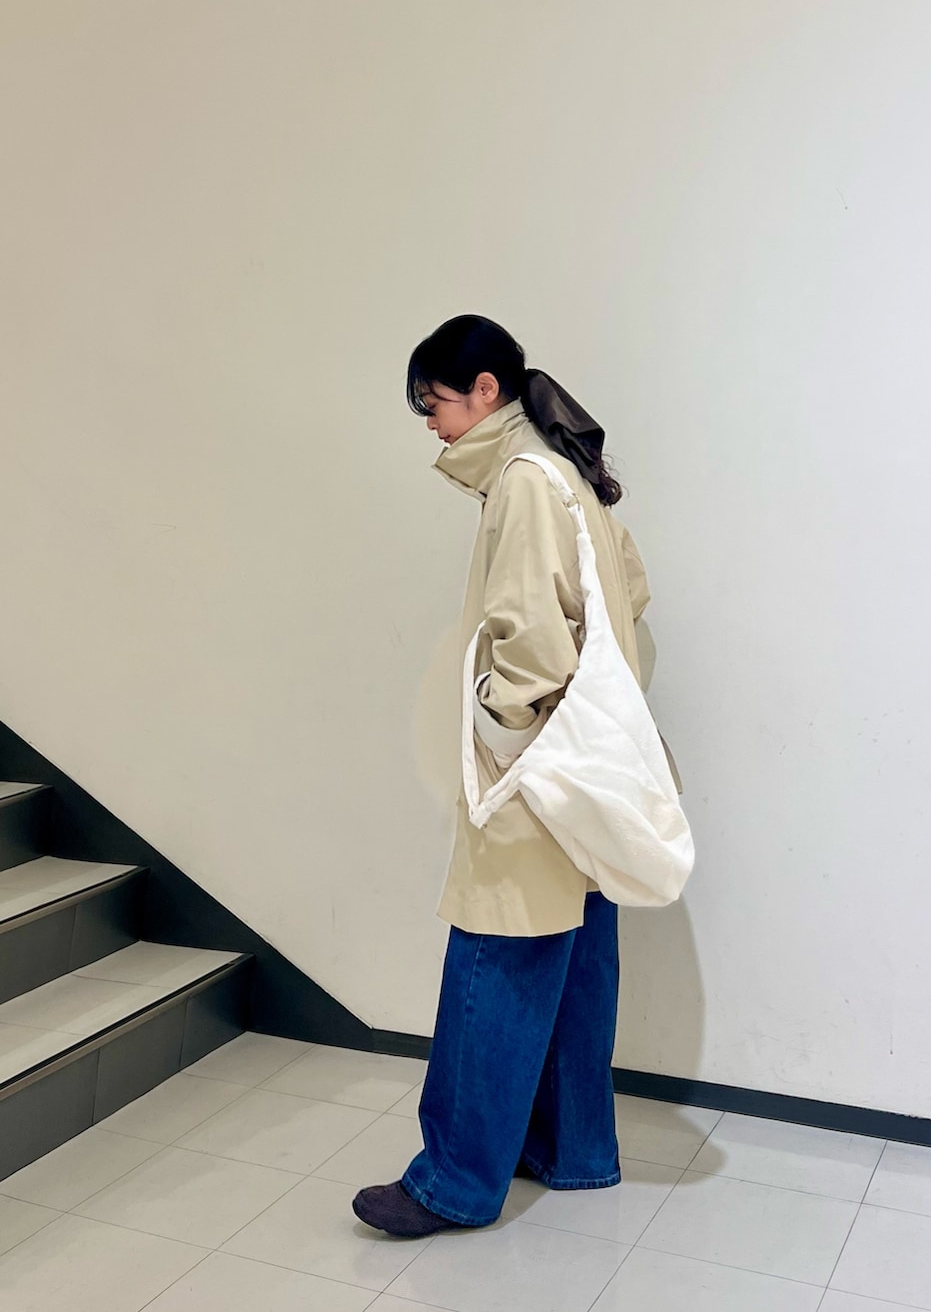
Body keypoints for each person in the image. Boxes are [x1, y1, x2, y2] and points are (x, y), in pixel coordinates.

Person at [353, 314, 654, 1237]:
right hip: (590, 766)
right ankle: (573, 1149)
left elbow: (530, 640)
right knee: (575, 957)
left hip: (533, 770)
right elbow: (632, 595)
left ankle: (453, 1181)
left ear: (487, 390)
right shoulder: (568, 471)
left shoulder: (524, 479)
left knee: (494, 956)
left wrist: (501, 723)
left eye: (435, 401)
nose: (431, 422)